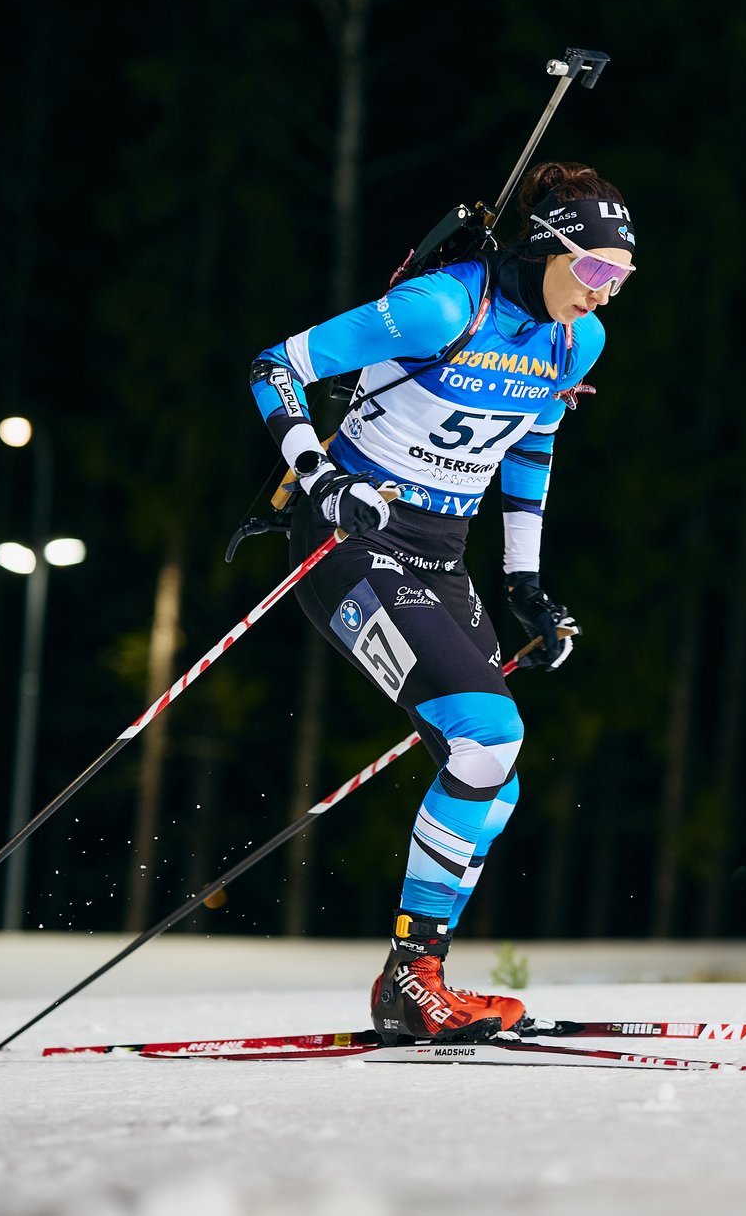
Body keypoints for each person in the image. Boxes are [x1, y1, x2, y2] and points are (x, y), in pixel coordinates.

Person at [247, 161, 634, 1044]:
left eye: (623, 279)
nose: (606, 296)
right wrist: (318, 476)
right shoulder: (443, 309)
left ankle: (414, 980)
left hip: (443, 551)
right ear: (549, 250)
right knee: (487, 734)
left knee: (494, 781)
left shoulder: (578, 344)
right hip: (352, 538)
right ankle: (411, 978)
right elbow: (277, 367)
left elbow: (531, 450)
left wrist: (527, 586)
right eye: (598, 271)